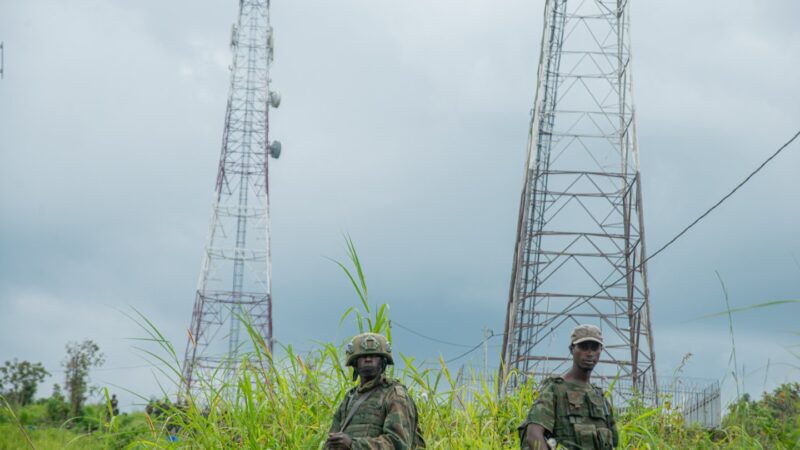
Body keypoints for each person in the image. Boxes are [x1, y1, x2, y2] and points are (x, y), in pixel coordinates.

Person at [519, 324, 618, 450]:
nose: (589, 353)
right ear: (572, 349)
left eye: (594, 348)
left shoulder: (600, 398)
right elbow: (533, 435)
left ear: (600, 351)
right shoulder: (555, 389)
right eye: (583, 347)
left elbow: (614, 442)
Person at [325, 332, 424, 450]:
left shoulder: (394, 395)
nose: (368, 359)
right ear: (355, 362)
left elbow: (398, 443)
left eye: (374, 355)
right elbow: (331, 442)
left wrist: (353, 445)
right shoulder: (350, 398)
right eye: (363, 356)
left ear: (383, 361)